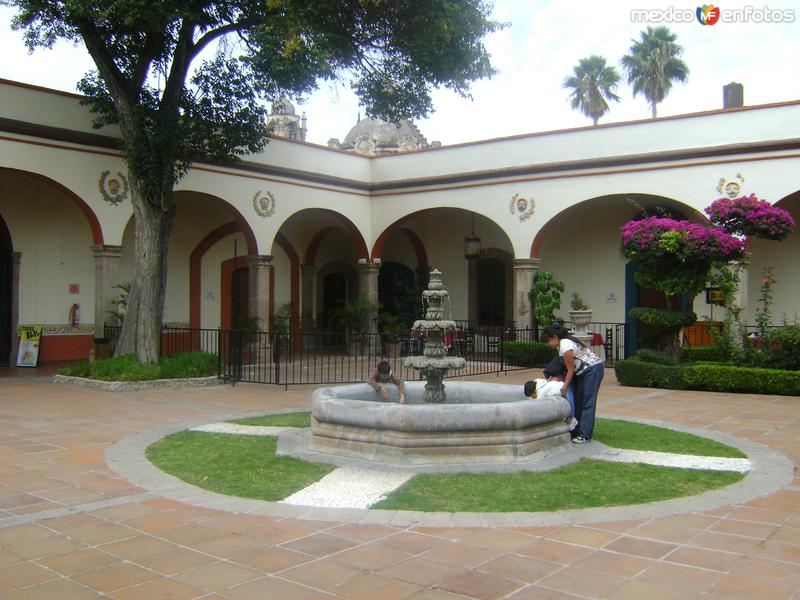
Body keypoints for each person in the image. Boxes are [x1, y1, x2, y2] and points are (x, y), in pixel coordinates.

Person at [541, 323, 604, 443]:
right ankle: (577, 431)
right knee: (578, 399)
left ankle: (585, 435)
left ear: (555, 337)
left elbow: (570, 369)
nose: (547, 344)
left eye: (548, 341)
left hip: (592, 370)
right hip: (583, 371)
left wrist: (565, 386)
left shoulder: (565, 345)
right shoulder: (562, 344)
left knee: (587, 401)